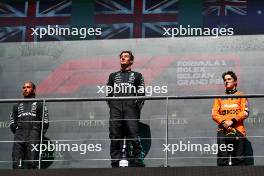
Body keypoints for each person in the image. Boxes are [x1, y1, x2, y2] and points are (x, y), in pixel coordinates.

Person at [106, 51, 145, 167]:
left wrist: (134, 106)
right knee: (114, 135)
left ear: (131, 61)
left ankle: (138, 161)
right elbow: (108, 95)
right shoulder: (112, 76)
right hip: (116, 108)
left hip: (131, 109)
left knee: (133, 135)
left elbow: (142, 94)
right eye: (121, 57)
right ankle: (115, 162)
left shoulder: (137, 75)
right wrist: (114, 106)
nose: (123, 58)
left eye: (126, 56)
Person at [212, 71, 249, 166]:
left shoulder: (242, 95)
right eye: (224, 80)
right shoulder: (219, 97)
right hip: (222, 130)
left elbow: (245, 112)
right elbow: (214, 114)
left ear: (235, 81)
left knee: (239, 159)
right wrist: (224, 123)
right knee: (222, 159)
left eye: (229, 79)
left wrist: (232, 121)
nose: (226, 81)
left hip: (238, 130)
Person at [10, 81, 49, 169]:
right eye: (24, 88)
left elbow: (45, 122)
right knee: (16, 164)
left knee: (32, 164)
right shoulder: (16, 105)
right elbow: (12, 122)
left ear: (34, 90)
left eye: (28, 87)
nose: (25, 89)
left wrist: (36, 132)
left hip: (33, 136)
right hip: (19, 136)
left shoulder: (40, 104)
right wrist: (18, 130)